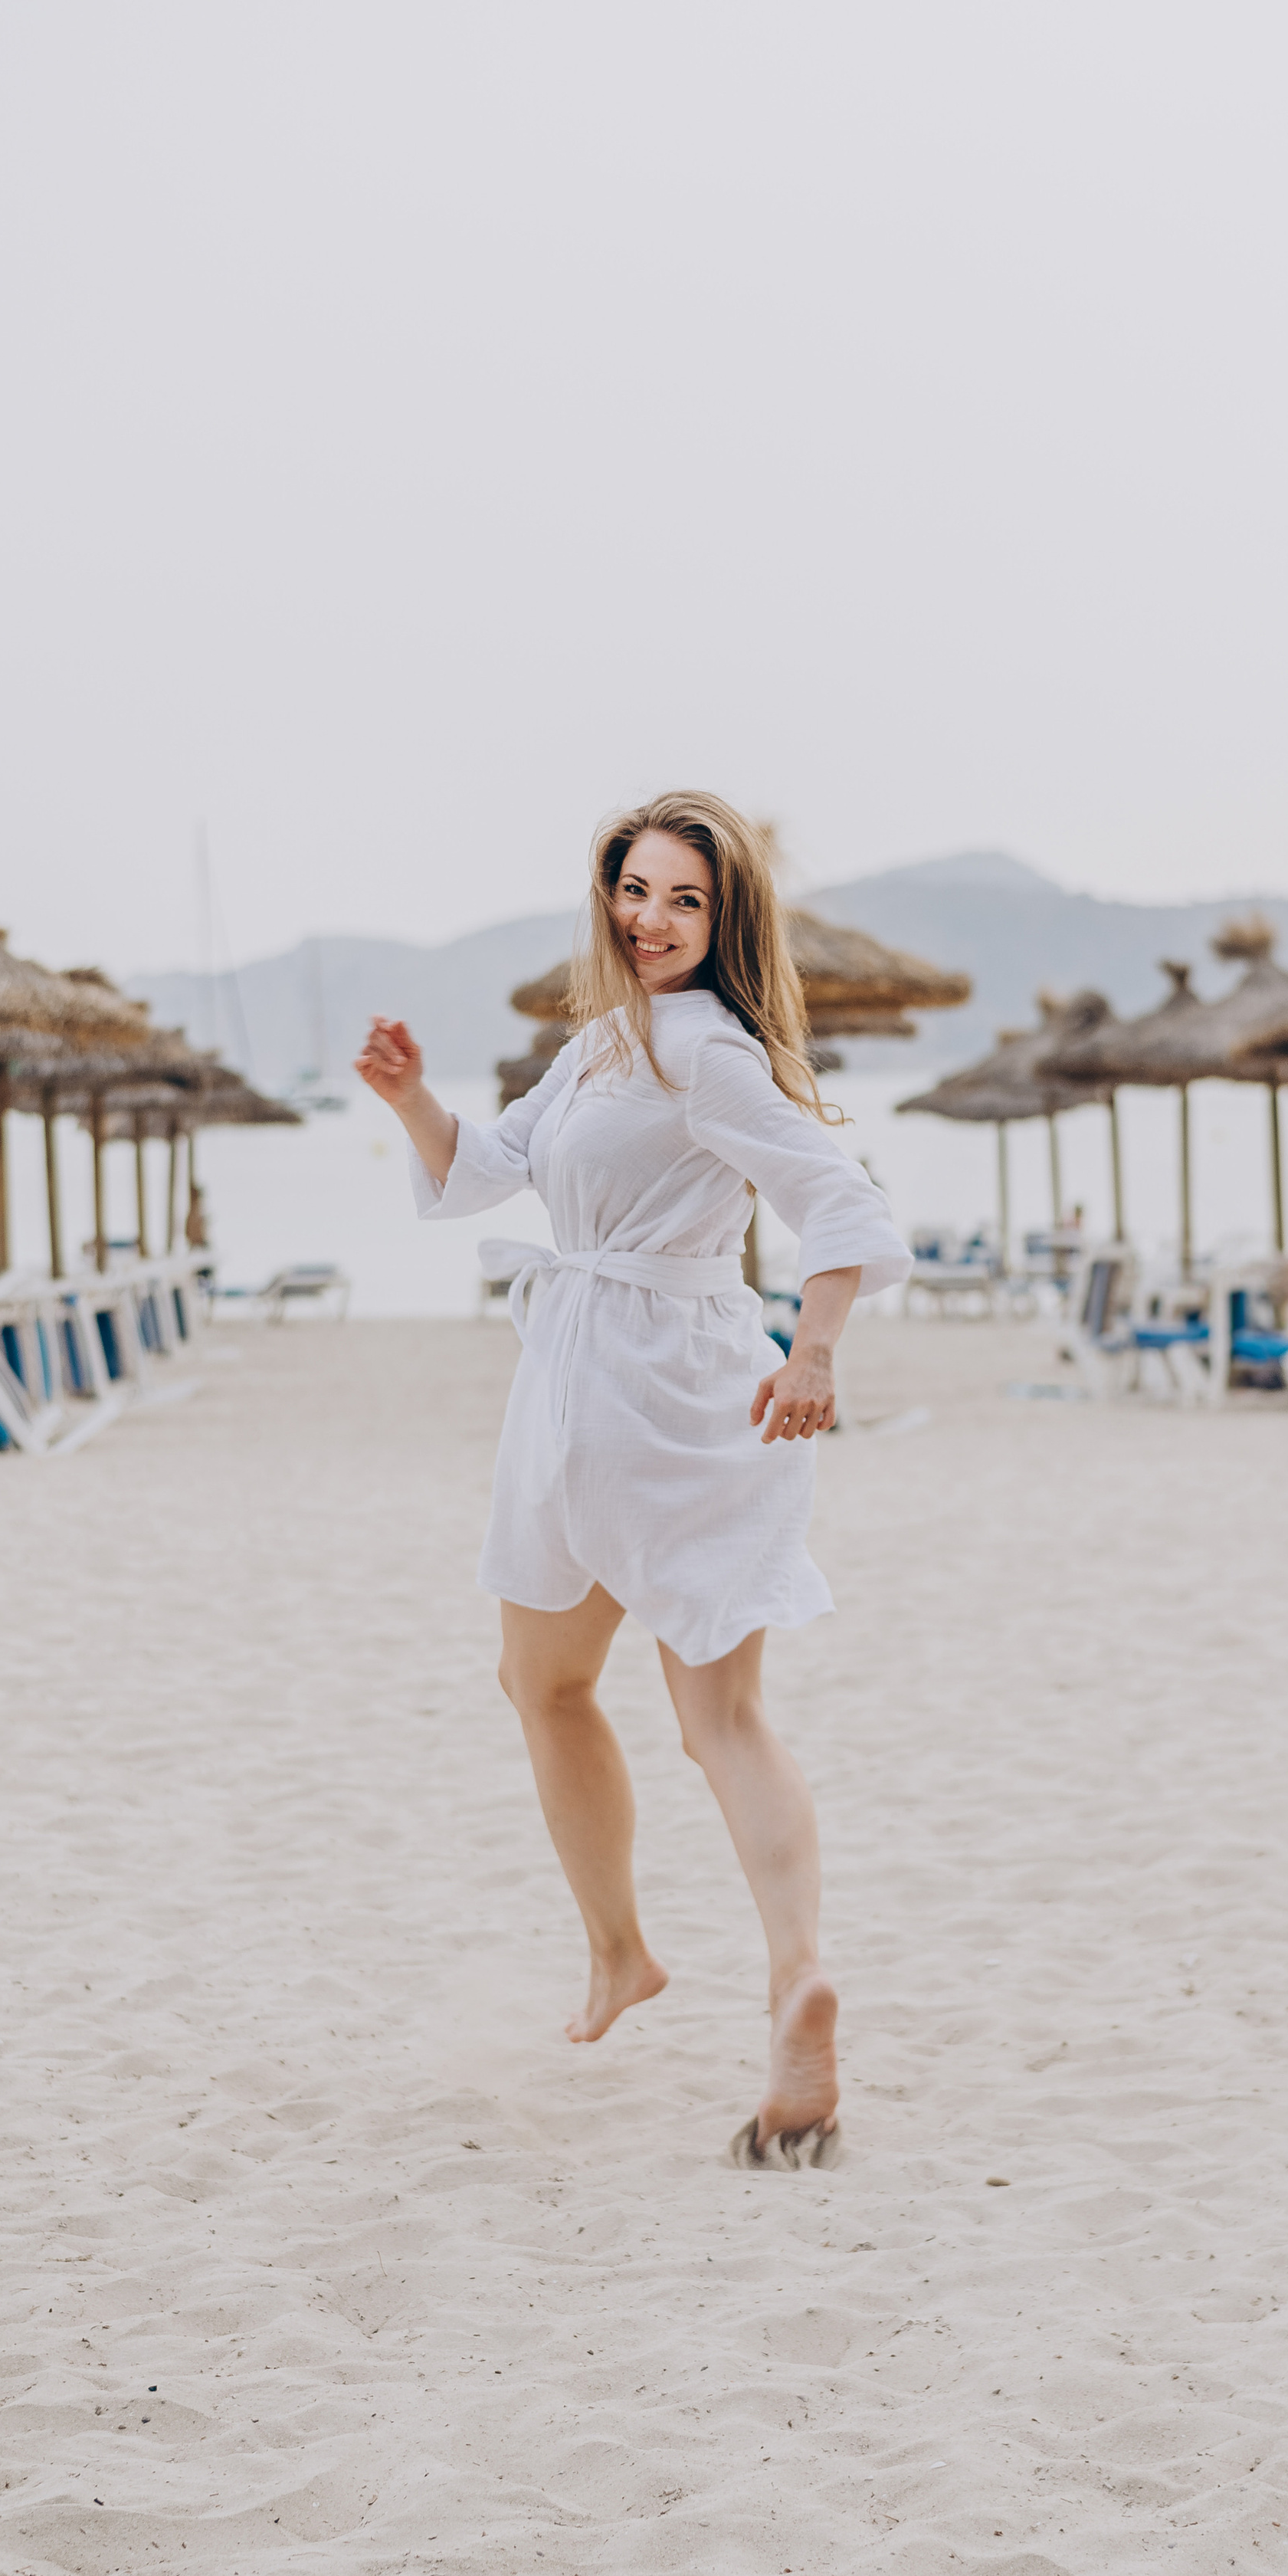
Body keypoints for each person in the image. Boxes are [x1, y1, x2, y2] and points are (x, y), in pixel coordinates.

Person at [355, 793, 909, 2165]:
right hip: (641, 1374)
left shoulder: (704, 1053)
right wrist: (412, 1099)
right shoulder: (603, 1043)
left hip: (628, 1383)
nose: (649, 921)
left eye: (684, 903)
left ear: (725, 928)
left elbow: (846, 1208)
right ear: (607, 894)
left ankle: (634, 1956)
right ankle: (784, 1974)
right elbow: (487, 1171)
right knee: (713, 1712)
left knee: (555, 1688)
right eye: (636, 890)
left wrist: (819, 1354)